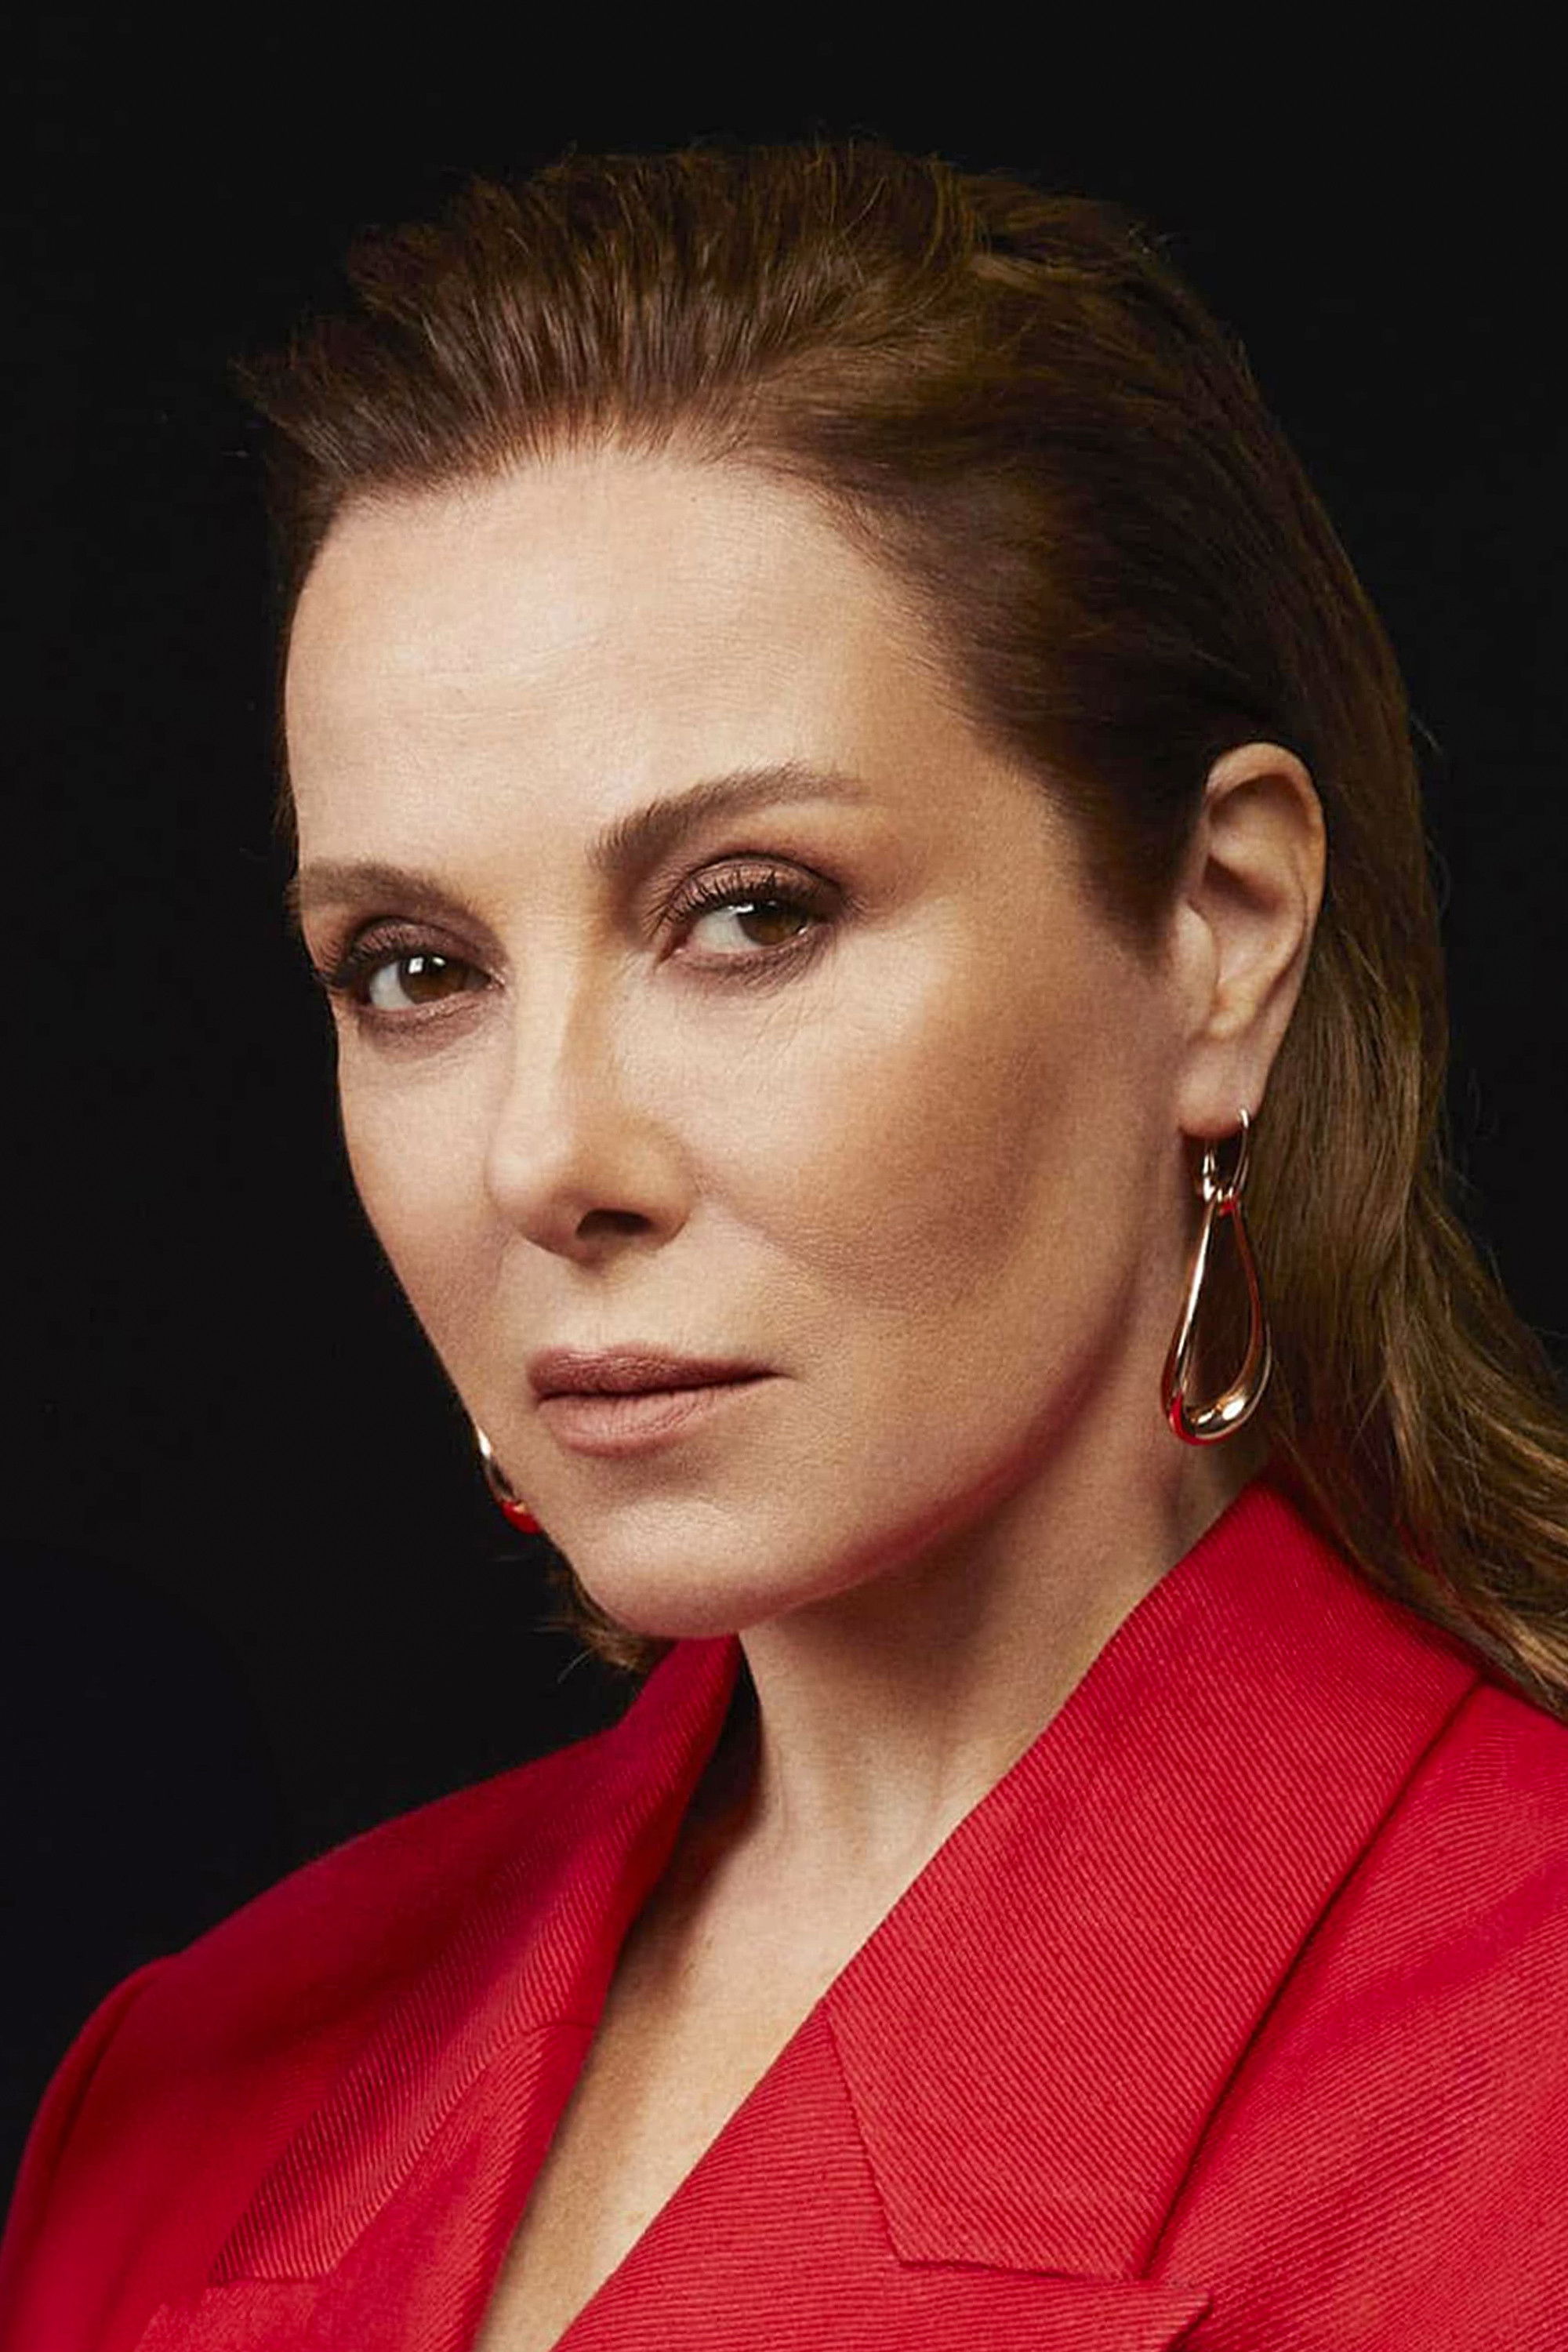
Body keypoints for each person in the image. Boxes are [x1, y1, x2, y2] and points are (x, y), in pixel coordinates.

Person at [2, 134, 1566, 2352]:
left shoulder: (1518, 2080)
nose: (546, 1158)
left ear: (1220, 933)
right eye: (415, 970)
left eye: (750, 914)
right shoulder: (180, 2103)